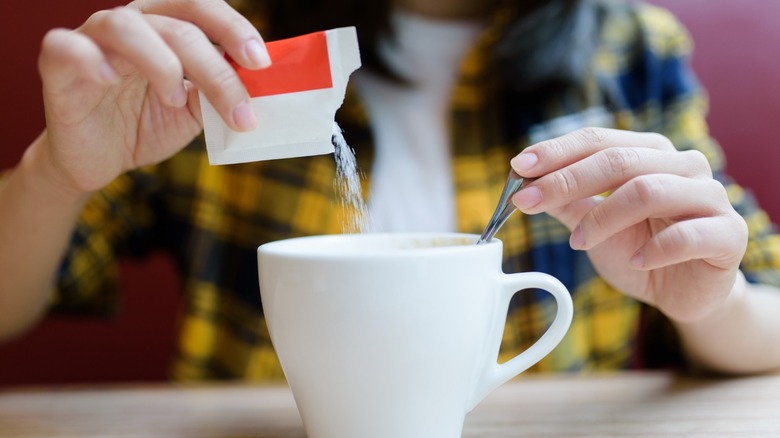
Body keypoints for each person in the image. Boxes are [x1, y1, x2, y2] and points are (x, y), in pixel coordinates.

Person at [1, 0, 779, 381]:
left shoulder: (631, 46)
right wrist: (56, 172)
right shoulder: (215, 51)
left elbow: (765, 304)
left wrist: (716, 302)